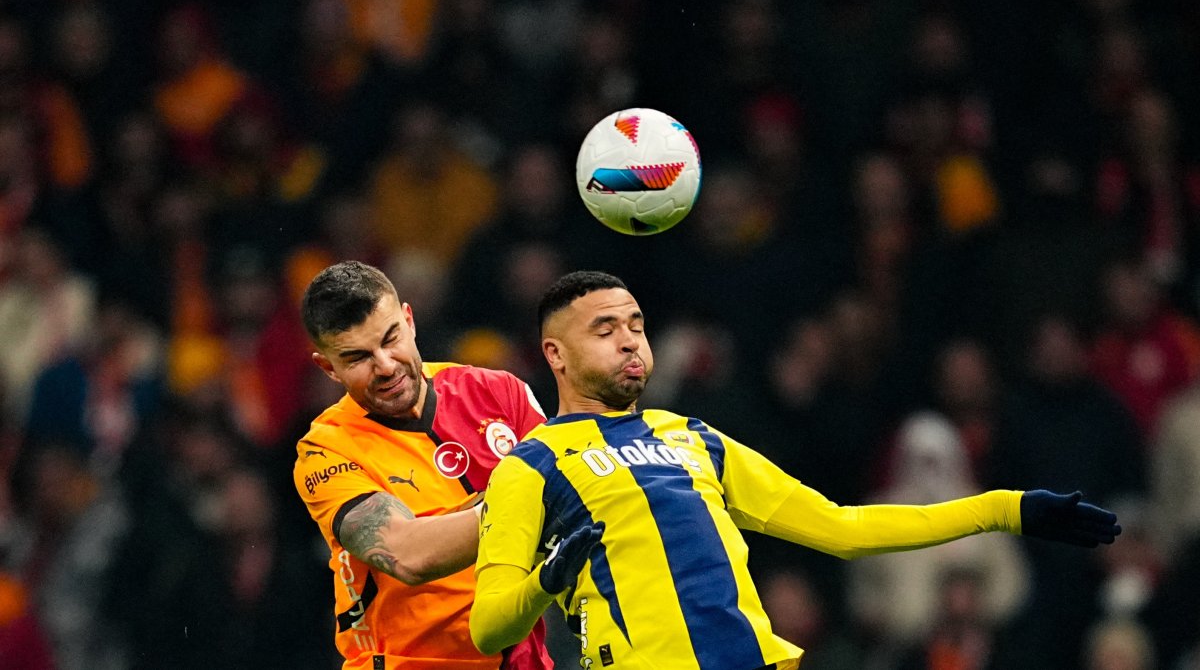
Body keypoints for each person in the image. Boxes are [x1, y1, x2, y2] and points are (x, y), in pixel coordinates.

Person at [470, 271, 1121, 670]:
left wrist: (1006, 508)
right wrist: (545, 582)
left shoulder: (693, 437)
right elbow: (488, 625)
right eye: (605, 328)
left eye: (636, 326)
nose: (629, 341)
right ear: (555, 354)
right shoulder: (530, 467)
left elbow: (844, 528)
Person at [292, 261, 552, 670]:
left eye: (391, 338)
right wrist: (532, 505)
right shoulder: (326, 450)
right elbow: (407, 554)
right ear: (328, 368)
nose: (386, 366)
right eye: (358, 357)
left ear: (409, 321)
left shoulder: (500, 392)